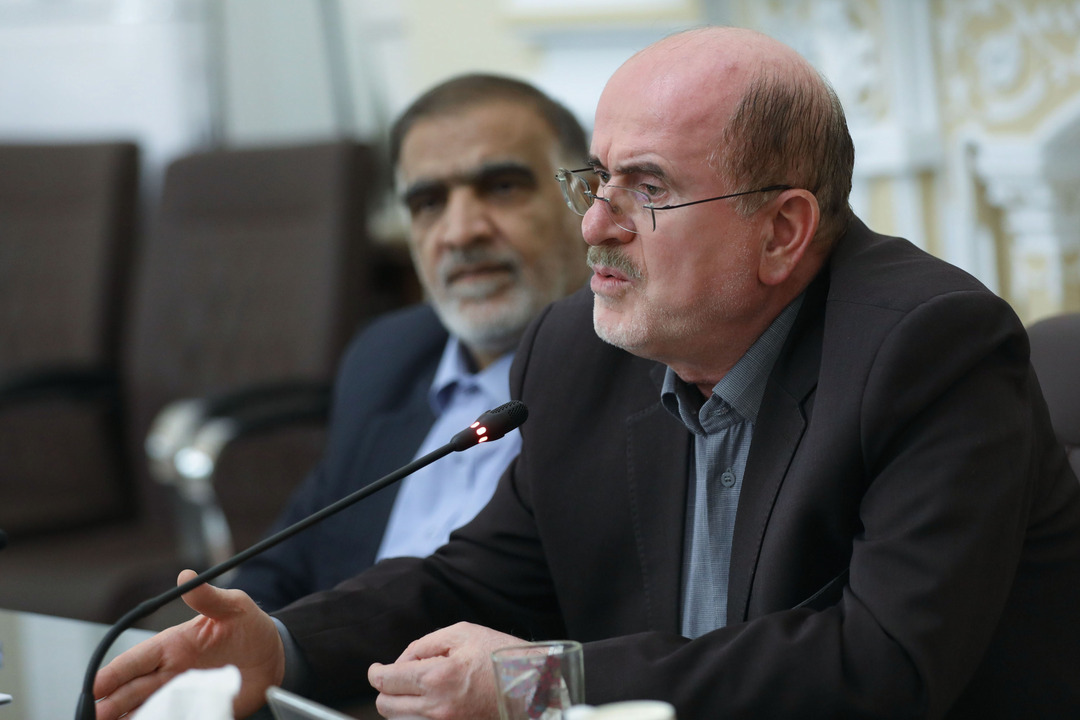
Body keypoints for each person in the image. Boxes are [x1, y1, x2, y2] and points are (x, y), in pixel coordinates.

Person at [93, 27, 1080, 720]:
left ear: (782, 231)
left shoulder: (930, 350)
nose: (596, 225)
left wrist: (545, 688)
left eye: (646, 188)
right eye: (595, 179)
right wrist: (284, 643)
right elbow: (483, 579)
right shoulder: (579, 349)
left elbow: (882, 666)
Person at [228, 74, 591, 610]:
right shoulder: (386, 356)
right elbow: (286, 561)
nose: (460, 232)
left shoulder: (639, 376)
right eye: (428, 202)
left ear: (583, 197)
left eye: (502, 187)